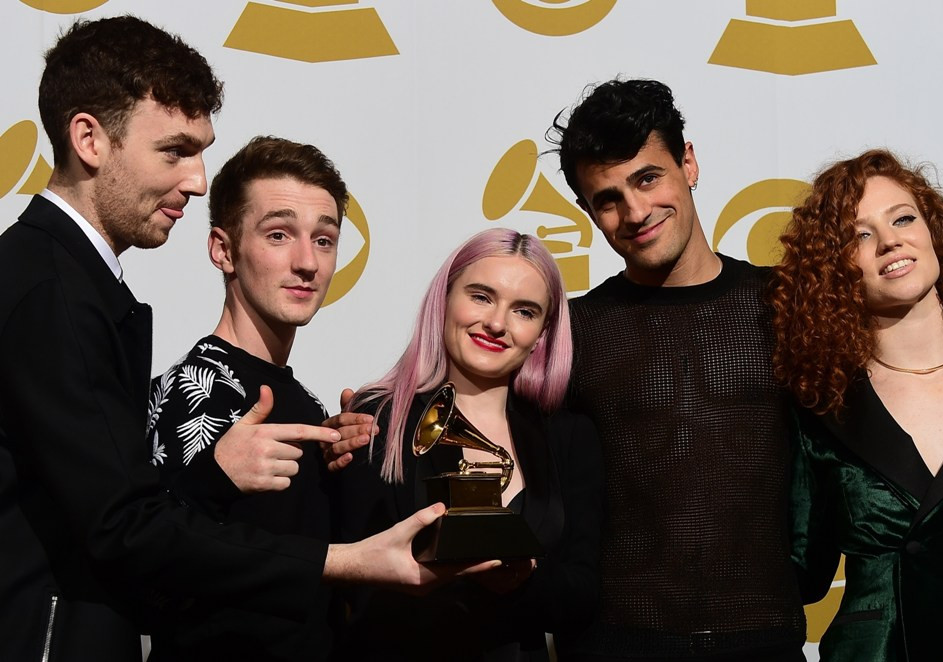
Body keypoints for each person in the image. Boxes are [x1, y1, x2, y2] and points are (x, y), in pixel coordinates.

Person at [0, 16, 488, 662]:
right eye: (174, 150)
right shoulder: (53, 288)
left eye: (325, 237)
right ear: (89, 138)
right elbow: (126, 533)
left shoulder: (72, 280)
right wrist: (339, 556)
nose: (197, 179)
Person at [549, 79, 806, 660]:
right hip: (611, 644)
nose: (635, 212)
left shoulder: (785, 306)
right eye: (607, 198)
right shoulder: (570, 330)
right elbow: (488, 430)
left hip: (763, 639)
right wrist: (375, 426)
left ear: (688, 162)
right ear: (588, 211)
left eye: (647, 178)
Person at [771, 149, 943, 661]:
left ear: (934, 232)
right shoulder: (821, 411)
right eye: (859, 235)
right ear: (834, 268)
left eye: (903, 218)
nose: (889, 241)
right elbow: (796, 575)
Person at [331, 228, 603, 661]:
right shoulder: (378, 418)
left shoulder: (568, 435)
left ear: (542, 333)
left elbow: (583, 596)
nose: (497, 323)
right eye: (480, 296)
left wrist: (526, 581)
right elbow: (352, 586)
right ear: (445, 299)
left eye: (524, 311)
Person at [145, 136, 350, 661]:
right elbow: (148, 571)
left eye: (323, 239)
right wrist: (212, 476)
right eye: (279, 235)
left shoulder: (304, 400)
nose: (307, 262)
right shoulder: (193, 391)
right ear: (223, 249)